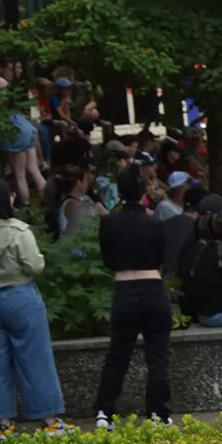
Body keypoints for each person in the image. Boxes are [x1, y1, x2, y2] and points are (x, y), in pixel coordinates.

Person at [0, 180, 71, 439]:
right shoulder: (19, 231)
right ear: (4, 201)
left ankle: (4, 424)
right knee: (35, 358)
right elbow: (35, 266)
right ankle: (49, 420)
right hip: (20, 295)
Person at [91, 166, 177, 429]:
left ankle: (105, 411)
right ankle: (157, 413)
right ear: (144, 191)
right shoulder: (156, 224)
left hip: (124, 288)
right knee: (158, 353)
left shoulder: (109, 223)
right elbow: (163, 259)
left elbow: (107, 259)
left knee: (118, 353)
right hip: (153, 287)